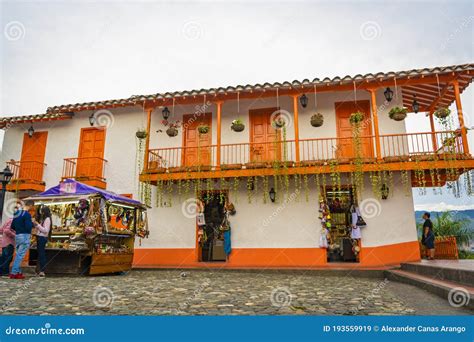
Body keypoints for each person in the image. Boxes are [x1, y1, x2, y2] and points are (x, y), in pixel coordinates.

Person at [10, 200, 34, 279]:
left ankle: (18, 272)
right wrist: (32, 223)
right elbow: (28, 226)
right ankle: (14, 272)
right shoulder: (27, 214)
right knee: (20, 256)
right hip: (25, 235)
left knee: (18, 255)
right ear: (30, 206)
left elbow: (12, 226)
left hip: (17, 235)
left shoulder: (16, 213)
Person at [33, 206, 52, 277]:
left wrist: (37, 225)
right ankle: (40, 270)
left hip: (42, 238)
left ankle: (42, 270)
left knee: (42, 254)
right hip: (40, 237)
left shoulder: (47, 219)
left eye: (42, 211)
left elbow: (45, 230)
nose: (41, 213)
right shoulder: (45, 219)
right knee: (40, 254)